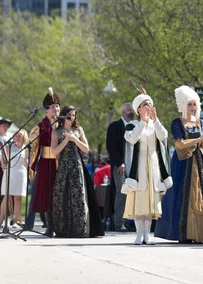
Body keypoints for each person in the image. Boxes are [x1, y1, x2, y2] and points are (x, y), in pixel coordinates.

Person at [155, 85, 203, 243]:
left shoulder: (199, 122)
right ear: (183, 105)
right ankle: (182, 233)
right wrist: (199, 139)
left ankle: (199, 233)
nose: (192, 107)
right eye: (189, 104)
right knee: (181, 194)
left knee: (199, 193)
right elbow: (180, 144)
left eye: (194, 104)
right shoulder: (177, 122)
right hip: (182, 162)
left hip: (197, 161)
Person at [122, 87, 172, 245]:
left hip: (153, 166)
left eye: (150, 104)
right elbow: (132, 138)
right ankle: (139, 234)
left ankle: (147, 235)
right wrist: (143, 122)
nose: (148, 107)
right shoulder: (133, 125)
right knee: (139, 201)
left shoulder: (155, 124)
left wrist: (155, 120)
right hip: (138, 168)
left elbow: (163, 136)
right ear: (138, 109)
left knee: (151, 201)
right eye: (145, 104)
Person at [51, 106, 104, 238]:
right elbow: (54, 151)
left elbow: (86, 149)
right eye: (69, 115)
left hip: (76, 166)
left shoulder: (78, 130)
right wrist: (66, 140)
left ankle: (80, 229)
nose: (71, 117)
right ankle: (63, 229)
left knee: (78, 197)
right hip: (63, 167)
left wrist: (75, 139)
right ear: (63, 115)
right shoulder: (56, 131)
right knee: (61, 197)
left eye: (73, 115)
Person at [29, 88, 61, 237]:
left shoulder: (63, 123)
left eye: (57, 106)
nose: (56, 109)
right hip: (47, 163)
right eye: (53, 106)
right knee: (47, 194)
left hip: (61, 163)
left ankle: (61, 225)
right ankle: (50, 227)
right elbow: (34, 146)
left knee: (60, 194)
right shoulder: (41, 126)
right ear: (46, 109)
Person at [106, 102, 135, 232]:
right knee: (122, 192)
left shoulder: (135, 126)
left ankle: (131, 221)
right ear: (122, 112)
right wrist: (119, 163)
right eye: (129, 110)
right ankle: (119, 222)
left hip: (134, 165)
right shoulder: (115, 126)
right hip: (121, 166)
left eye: (132, 110)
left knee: (133, 193)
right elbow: (111, 147)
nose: (131, 112)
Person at [0, 129, 28, 227]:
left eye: (20, 136)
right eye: (16, 135)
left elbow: (28, 162)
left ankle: (15, 221)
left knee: (17, 198)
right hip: (9, 173)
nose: (17, 137)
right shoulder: (8, 147)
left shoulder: (26, 148)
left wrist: (28, 162)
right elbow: (3, 160)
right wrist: (4, 169)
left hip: (21, 174)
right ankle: (1, 220)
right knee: (6, 197)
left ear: (24, 137)